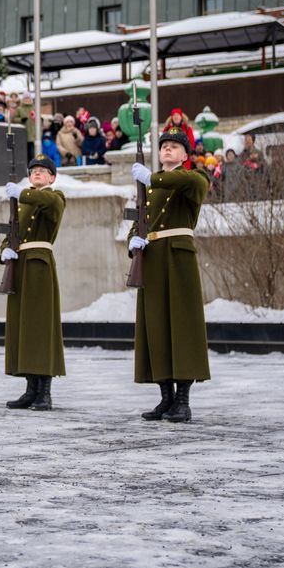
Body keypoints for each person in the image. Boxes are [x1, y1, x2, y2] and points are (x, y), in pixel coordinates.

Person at [128, 129, 210, 422]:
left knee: (182, 327)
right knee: (157, 326)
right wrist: (132, 239)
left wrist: (151, 178)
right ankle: (166, 396)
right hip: (152, 257)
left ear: (185, 155)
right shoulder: (150, 187)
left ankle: (183, 400)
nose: (168, 150)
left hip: (177, 256)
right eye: (164, 146)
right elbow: (139, 217)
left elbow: (187, 182)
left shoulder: (194, 178)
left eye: (175, 146)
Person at [0, 155, 66, 411]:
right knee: (23, 327)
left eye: (43, 171)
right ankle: (30, 387)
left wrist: (21, 194)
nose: (37, 174)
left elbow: (48, 202)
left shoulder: (54, 196)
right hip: (20, 265)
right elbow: (11, 230)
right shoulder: (23, 202)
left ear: (52, 177)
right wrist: (5, 249)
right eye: (34, 171)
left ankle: (45, 391)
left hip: (39, 264)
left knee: (41, 327)